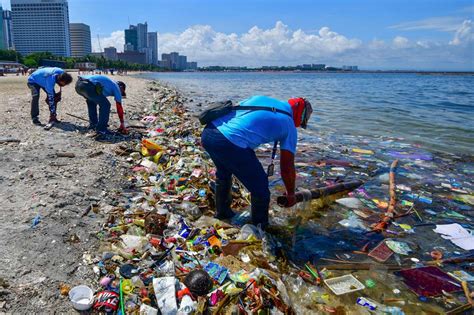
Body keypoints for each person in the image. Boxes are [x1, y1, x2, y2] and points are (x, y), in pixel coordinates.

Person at [201, 95, 313, 228]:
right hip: (228, 142)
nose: (299, 125)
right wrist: (291, 194)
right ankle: (260, 229)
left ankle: (222, 214)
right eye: (301, 122)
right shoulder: (289, 125)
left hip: (209, 134)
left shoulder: (264, 99)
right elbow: (287, 167)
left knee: (224, 172)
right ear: (300, 115)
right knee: (260, 188)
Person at [75, 74, 128, 140]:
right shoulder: (116, 86)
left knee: (91, 101)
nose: (120, 94)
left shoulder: (108, 84)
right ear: (121, 87)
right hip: (88, 85)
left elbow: (97, 94)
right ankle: (102, 129)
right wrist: (122, 123)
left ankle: (93, 124)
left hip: (78, 85)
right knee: (106, 105)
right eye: (121, 92)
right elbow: (119, 106)